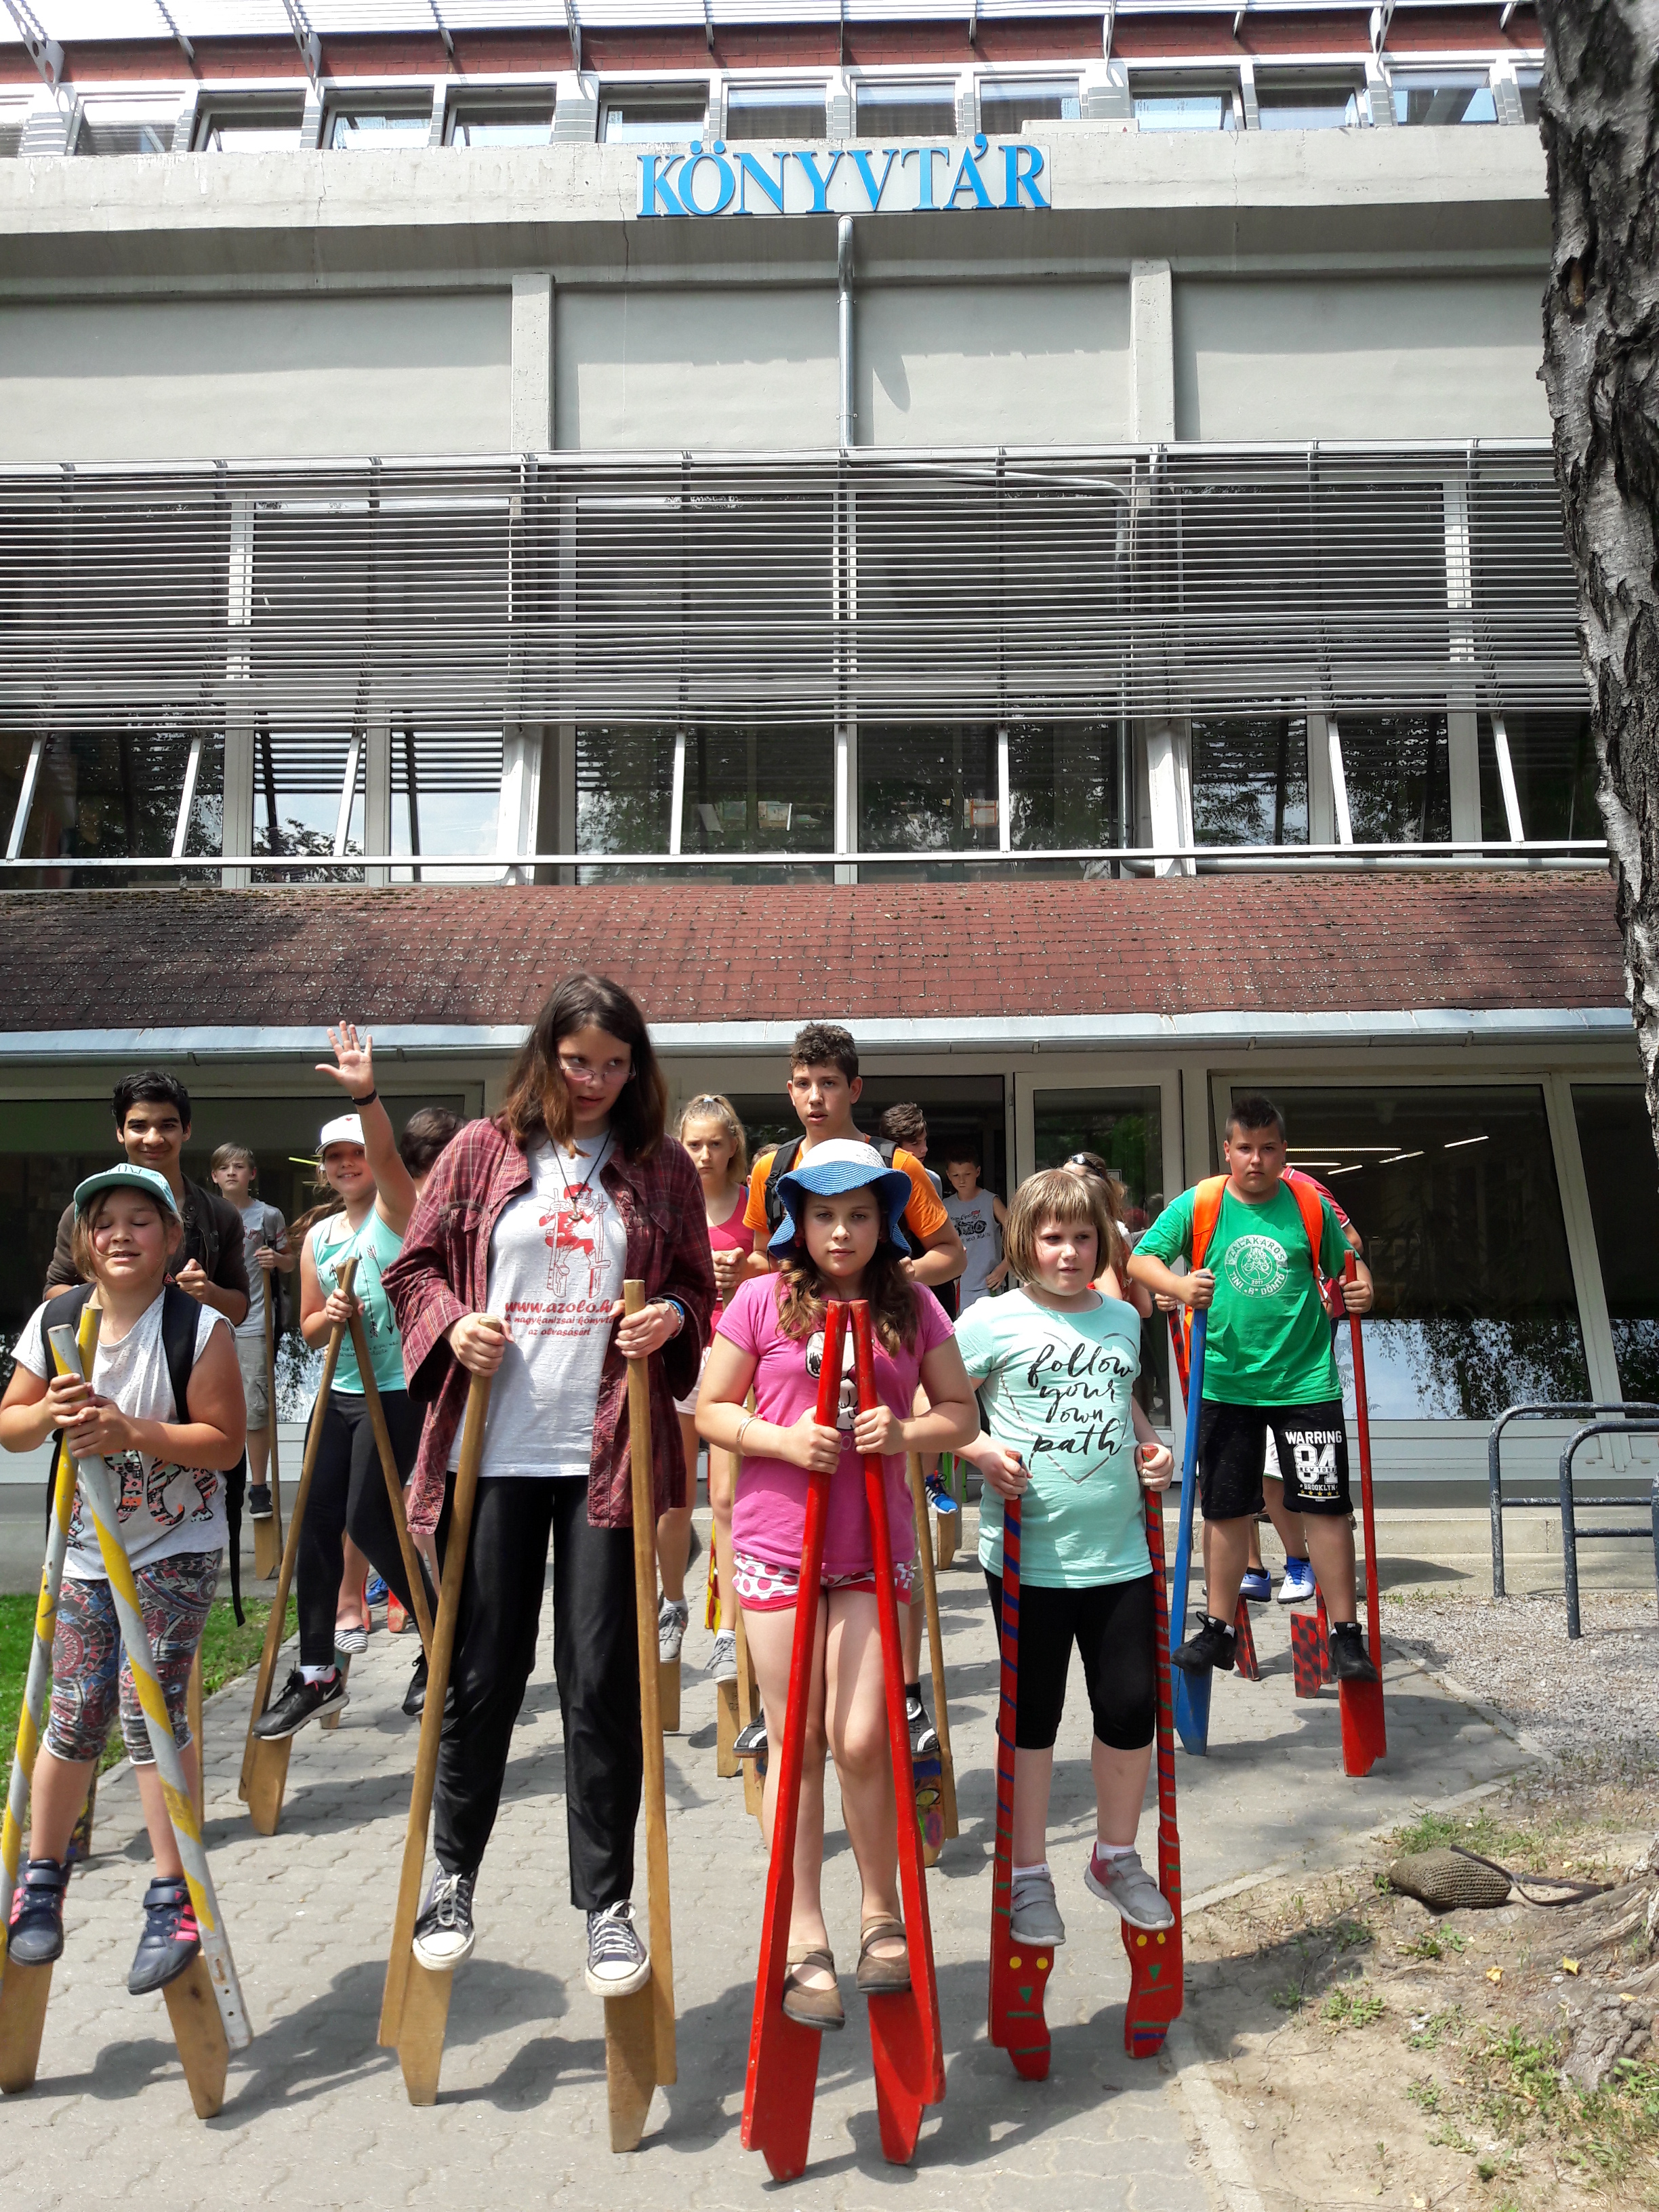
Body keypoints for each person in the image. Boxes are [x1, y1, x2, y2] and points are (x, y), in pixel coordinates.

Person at [384, 974, 714, 1992]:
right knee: (480, 1672)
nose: (596, 1081)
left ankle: (606, 1903)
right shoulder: (480, 1151)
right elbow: (413, 1269)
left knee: (601, 1677)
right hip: (493, 1448)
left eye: (615, 1064)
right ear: (545, 1056)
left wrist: (671, 1317)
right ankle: (452, 1875)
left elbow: (695, 1286)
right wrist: (453, 1323)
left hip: (604, 1448)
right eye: (578, 1062)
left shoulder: (660, 1164)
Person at [695, 1139, 975, 2028]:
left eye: (859, 1215)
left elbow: (960, 1412)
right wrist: (781, 1440)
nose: (842, 1232)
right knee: (800, 1738)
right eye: (824, 1216)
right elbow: (711, 1410)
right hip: (778, 1546)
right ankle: (803, 1929)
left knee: (862, 1737)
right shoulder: (760, 1299)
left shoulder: (912, 1305)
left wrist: (906, 1433)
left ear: (884, 1221)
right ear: (798, 1222)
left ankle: (880, 1912)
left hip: (873, 1548)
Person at [0, 1165, 245, 1991]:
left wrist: (131, 1430)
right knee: (73, 1710)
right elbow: (12, 1426)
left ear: (172, 1239)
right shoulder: (57, 1320)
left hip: (172, 1546)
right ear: (83, 1240)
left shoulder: (199, 1329)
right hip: (81, 1548)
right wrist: (51, 1414)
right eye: (104, 1221)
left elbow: (224, 1443)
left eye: (142, 1220)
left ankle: (172, 1891)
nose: (121, 1235)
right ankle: (42, 1877)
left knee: (152, 1709)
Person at [954, 1169, 1176, 1944]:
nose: (1070, 1252)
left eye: (1084, 1237)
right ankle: (1027, 1873)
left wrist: (1152, 1449)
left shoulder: (1120, 1317)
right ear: (1024, 1242)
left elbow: (1123, 1397)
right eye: (1053, 1238)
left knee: (1131, 1706)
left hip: (1121, 1552)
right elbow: (935, 1406)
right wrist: (981, 1452)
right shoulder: (989, 1321)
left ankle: (1115, 1857)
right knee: (1033, 1715)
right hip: (1029, 1557)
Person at [1128, 1094, 1379, 1685]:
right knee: (1224, 1507)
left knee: (1326, 1506)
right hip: (1227, 1383)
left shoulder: (1309, 1205)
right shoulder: (1203, 1202)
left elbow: (1350, 1266)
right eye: (1245, 1148)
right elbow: (1142, 1260)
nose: (1256, 1160)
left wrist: (1365, 1288)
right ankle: (1218, 1630)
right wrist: (1180, 1286)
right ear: (1228, 1150)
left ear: (1284, 1152)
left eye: (1268, 1149)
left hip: (1305, 1383)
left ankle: (1346, 1635)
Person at [251, 1025, 429, 1738]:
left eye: (357, 1152)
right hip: (340, 1393)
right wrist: (328, 1316)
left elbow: (387, 1155)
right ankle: (318, 1671)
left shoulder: (397, 1211)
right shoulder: (318, 1240)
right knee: (315, 1525)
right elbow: (307, 1330)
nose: (349, 1163)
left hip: (397, 1390)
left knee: (372, 1518)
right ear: (323, 1169)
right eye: (335, 1156)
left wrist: (366, 1096)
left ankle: (437, 1631)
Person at [659, 1094, 753, 1681]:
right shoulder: (670, 1206)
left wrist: (747, 1269)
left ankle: (727, 1629)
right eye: (694, 1144)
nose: (705, 1154)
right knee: (673, 1499)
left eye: (716, 1143)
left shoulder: (752, 1204)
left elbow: (779, 1270)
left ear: (733, 1145)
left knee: (725, 1499)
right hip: (680, 1356)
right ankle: (673, 1603)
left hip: (735, 1361)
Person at [45, 1072, 249, 1330]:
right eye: (138, 1126)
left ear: (186, 1130)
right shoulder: (84, 1211)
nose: (153, 1138)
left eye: (167, 1126)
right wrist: (105, 1294)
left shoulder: (221, 1215)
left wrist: (208, 1293)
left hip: (192, 1353)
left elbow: (241, 1309)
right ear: (120, 1132)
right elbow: (54, 1290)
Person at [209, 1142, 294, 1524]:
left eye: (240, 1166)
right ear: (214, 1176)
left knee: (256, 1409)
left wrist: (276, 1260)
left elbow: (290, 1261)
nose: (232, 1173)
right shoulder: (205, 1215)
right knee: (210, 1405)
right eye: (225, 1168)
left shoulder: (268, 1216)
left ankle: (259, 1487)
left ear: (252, 1174)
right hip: (211, 1323)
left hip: (256, 1322)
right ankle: (214, 1482)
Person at [943, 1142, 1008, 1317]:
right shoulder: (944, 1207)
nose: (961, 1180)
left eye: (967, 1174)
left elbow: (1019, 1233)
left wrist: (1005, 1266)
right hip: (958, 1287)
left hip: (989, 1285)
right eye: (956, 1175)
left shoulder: (991, 1201)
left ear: (978, 1172)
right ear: (948, 1175)